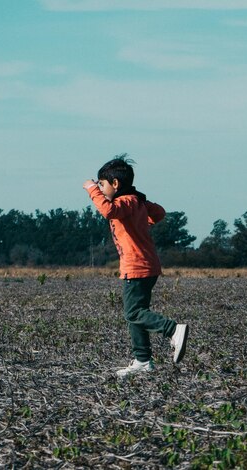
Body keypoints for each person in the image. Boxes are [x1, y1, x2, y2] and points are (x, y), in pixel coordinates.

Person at [83, 155, 189, 378]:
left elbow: (108, 211)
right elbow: (159, 213)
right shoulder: (136, 202)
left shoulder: (125, 202)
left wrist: (91, 190)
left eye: (102, 184)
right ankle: (142, 360)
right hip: (146, 265)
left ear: (115, 184)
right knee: (135, 314)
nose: (100, 190)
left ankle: (172, 330)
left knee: (134, 312)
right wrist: (143, 220)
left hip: (137, 266)